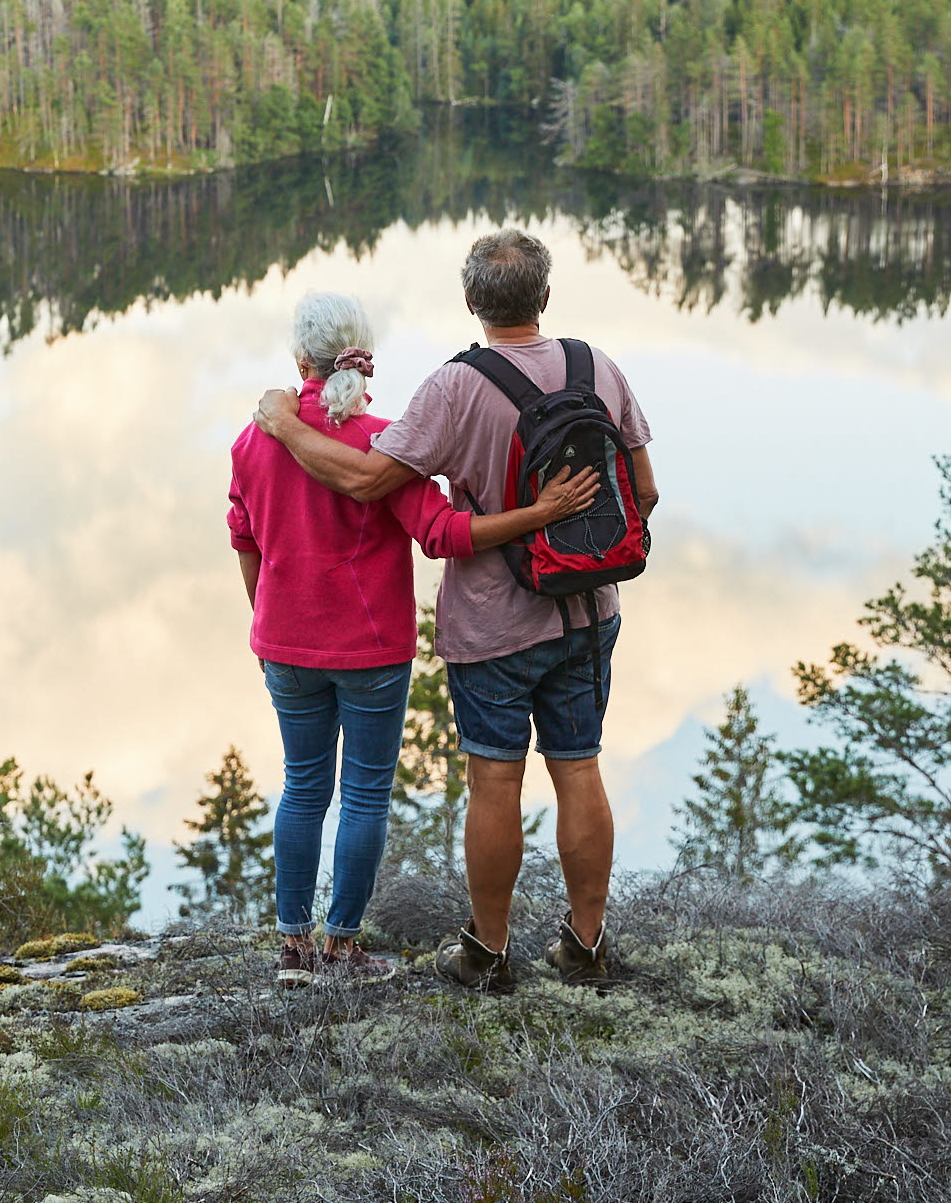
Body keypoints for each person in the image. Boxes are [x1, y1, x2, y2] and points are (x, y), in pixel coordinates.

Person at [253, 231, 656, 993]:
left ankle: (489, 952)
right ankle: (587, 945)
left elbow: (371, 481)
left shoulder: (454, 387)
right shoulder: (599, 367)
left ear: (472, 302)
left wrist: (282, 424)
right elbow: (647, 490)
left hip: (493, 627)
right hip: (588, 612)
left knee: (495, 783)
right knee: (579, 770)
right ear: (544, 295)